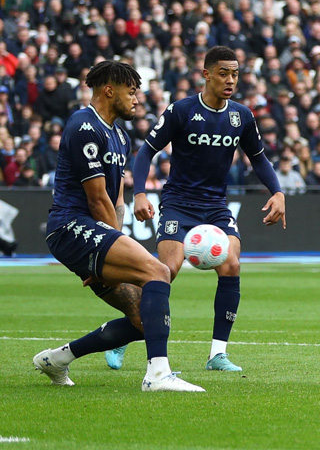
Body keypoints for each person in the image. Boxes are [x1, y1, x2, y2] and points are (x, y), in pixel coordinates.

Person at [105, 46, 286, 372]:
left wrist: (278, 192)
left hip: (216, 207)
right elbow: (146, 152)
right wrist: (141, 193)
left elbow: (257, 158)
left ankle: (218, 354)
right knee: (165, 271)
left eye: (235, 74)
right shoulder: (181, 111)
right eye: (223, 73)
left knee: (231, 264)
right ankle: (124, 334)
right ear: (206, 74)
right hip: (178, 204)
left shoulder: (241, 116)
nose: (230, 80)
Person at [33, 61, 203, 392]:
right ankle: (157, 375)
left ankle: (56, 360)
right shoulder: (84, 126)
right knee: (158, 272)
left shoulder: (120, 137)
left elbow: (117, 199)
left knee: (145, 319)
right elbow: (97, 200)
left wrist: (112, 251)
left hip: (94, 234)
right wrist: (113, 243)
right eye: (131, 91)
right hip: (70, 227)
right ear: (109, 90)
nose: (136, 99)